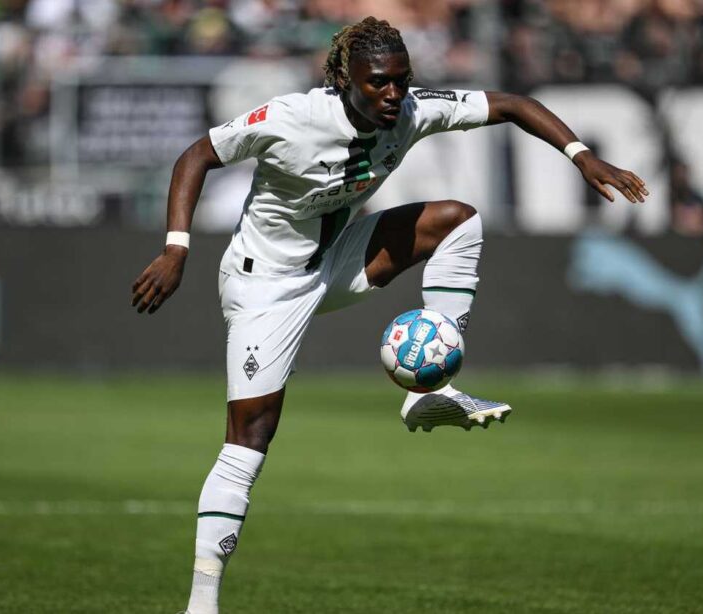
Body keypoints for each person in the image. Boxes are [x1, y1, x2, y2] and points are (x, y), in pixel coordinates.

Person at [130, 16, 648, 614]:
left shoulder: (411, 111)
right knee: (251, 436)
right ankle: (202, 601)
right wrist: (177, 249)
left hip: (338, 261)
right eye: (379, 83)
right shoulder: (292, 117)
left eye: (402, 80)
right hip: (264, 286)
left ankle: (429, 386)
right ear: (345, 77)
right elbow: (197, 155)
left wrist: (581, 156)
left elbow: (510, 102)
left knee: (458, 219)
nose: (394, 95)